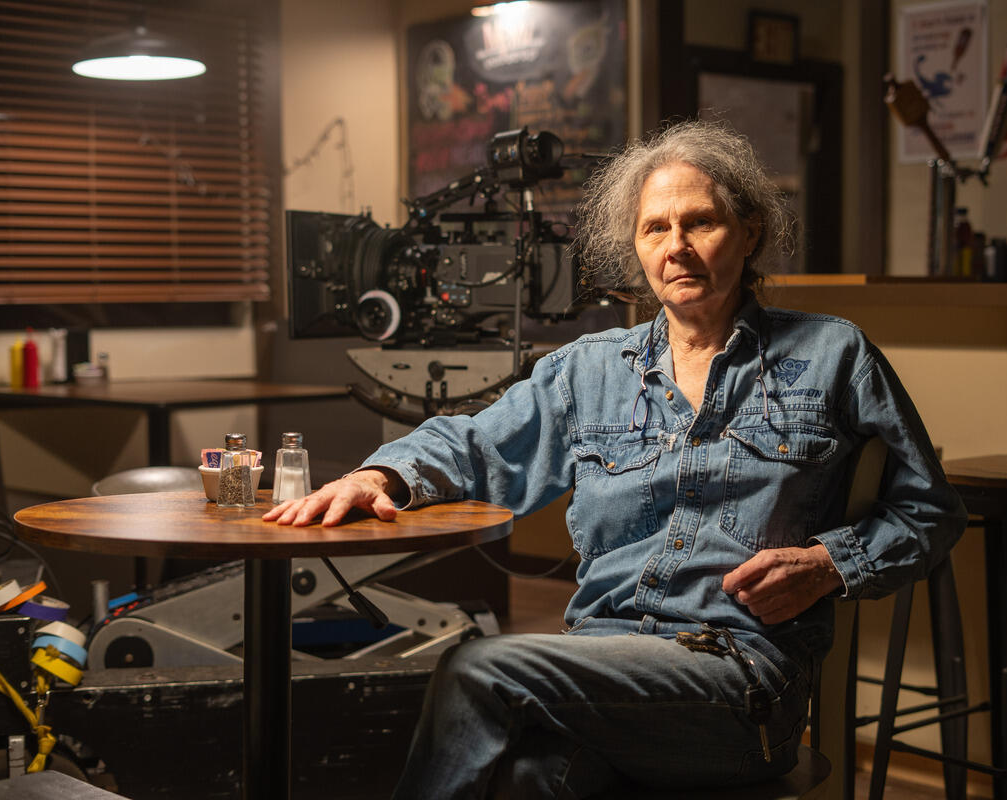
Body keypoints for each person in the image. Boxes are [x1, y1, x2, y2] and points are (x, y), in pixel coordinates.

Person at [264, 120, 967, 798]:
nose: (677, 246)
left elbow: (930, 511)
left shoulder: (832, 355)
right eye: (655, 228)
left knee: (475, 666)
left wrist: (827, 566)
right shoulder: (587, 371)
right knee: (528, 779)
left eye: (701, 222)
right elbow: (476, 444)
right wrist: (377, 475)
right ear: (635, 249)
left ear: (750, 233)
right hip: (598, 669)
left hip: (740, 687)